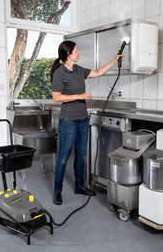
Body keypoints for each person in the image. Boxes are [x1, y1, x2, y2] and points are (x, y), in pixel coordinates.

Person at [49, 40, 123, 205]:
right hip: (68, 121)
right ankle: (57, 191)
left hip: (82, 119)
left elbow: (97, 73)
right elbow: (56, 97)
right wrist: (80, 96)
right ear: (68, 54)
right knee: (63, 157)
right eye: (76, 50)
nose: (79, 52)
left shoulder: (78, 70)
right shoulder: (60, 73)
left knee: (81, 155)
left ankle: (79, 186)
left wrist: (114, 61)